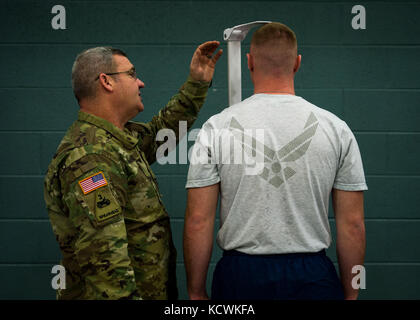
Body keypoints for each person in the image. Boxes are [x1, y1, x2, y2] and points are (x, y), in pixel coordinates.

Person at [183, 23, 367, 300]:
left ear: (249, 61)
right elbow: (352, 224)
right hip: (312, 275)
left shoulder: (215, 128)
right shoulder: (336, 128)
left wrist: (196, 292)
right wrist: (352, 294)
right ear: (298, 63)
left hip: (241, 275)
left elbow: (198, 220)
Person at [44, 41, 222, 300]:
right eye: (131, 74)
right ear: (106, 82)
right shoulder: (91, 157)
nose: (141, 83)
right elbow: (105, 259)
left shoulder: (115, 140)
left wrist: (197, 83)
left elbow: (163, 134)